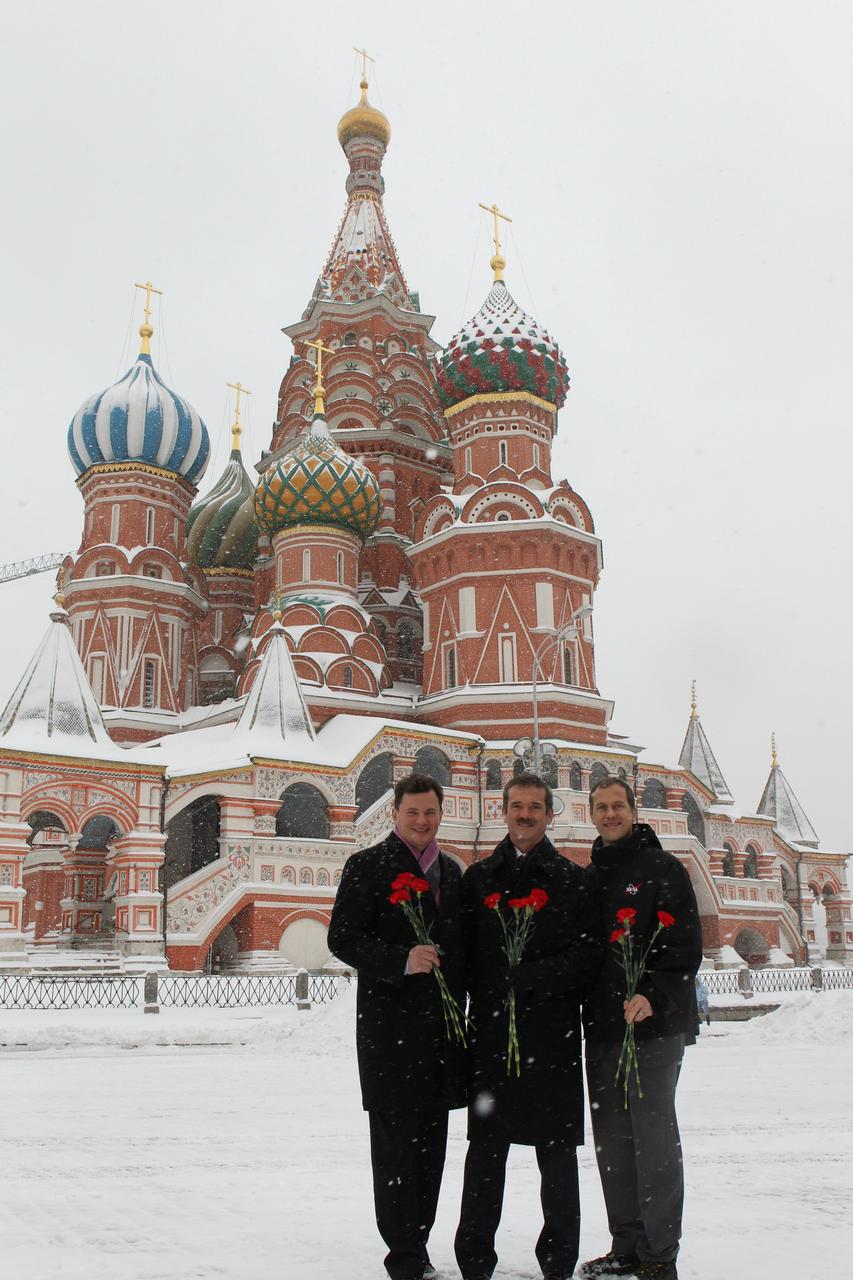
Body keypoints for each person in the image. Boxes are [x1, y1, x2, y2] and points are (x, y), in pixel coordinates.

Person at [454, 772, 603, 1280]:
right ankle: (475, 1259)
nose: (525, 815)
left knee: (557, 1159)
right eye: (517, 805)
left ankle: (558, 1261)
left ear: (549, 813)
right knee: (485, 1155)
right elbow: (461, 957)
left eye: (534, 807)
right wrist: (490, 992)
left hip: (553, 1037)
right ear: (503, 810)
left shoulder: (571, 880)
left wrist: (532, 978)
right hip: (494, 1038)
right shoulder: (478, 880)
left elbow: (589, 956)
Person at [327, 772, 466, 1280]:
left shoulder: (451, 872)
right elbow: (342, 937)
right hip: (390, 1034)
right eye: (413, 813)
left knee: (432, 1147)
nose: (422, 822)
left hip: (441, 1037)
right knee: (394, 1148)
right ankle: (403, 1254)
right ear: (395, 813)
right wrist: (399, 960)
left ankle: (421, 1243)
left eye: (430, 813)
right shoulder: (367, 867)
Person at [579, 775, 704, 1280]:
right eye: (601, 807)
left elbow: (685, 946)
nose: (610, 814)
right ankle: (626, 1243)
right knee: (612, 1141)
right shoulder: (591, 875)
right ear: (590, 815)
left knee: (652, 1140)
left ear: (633, 810)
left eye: (617, 806)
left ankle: (659, 1254)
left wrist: (652, 994)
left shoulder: (662, 869)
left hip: (653, 1027)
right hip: (605, 1028)